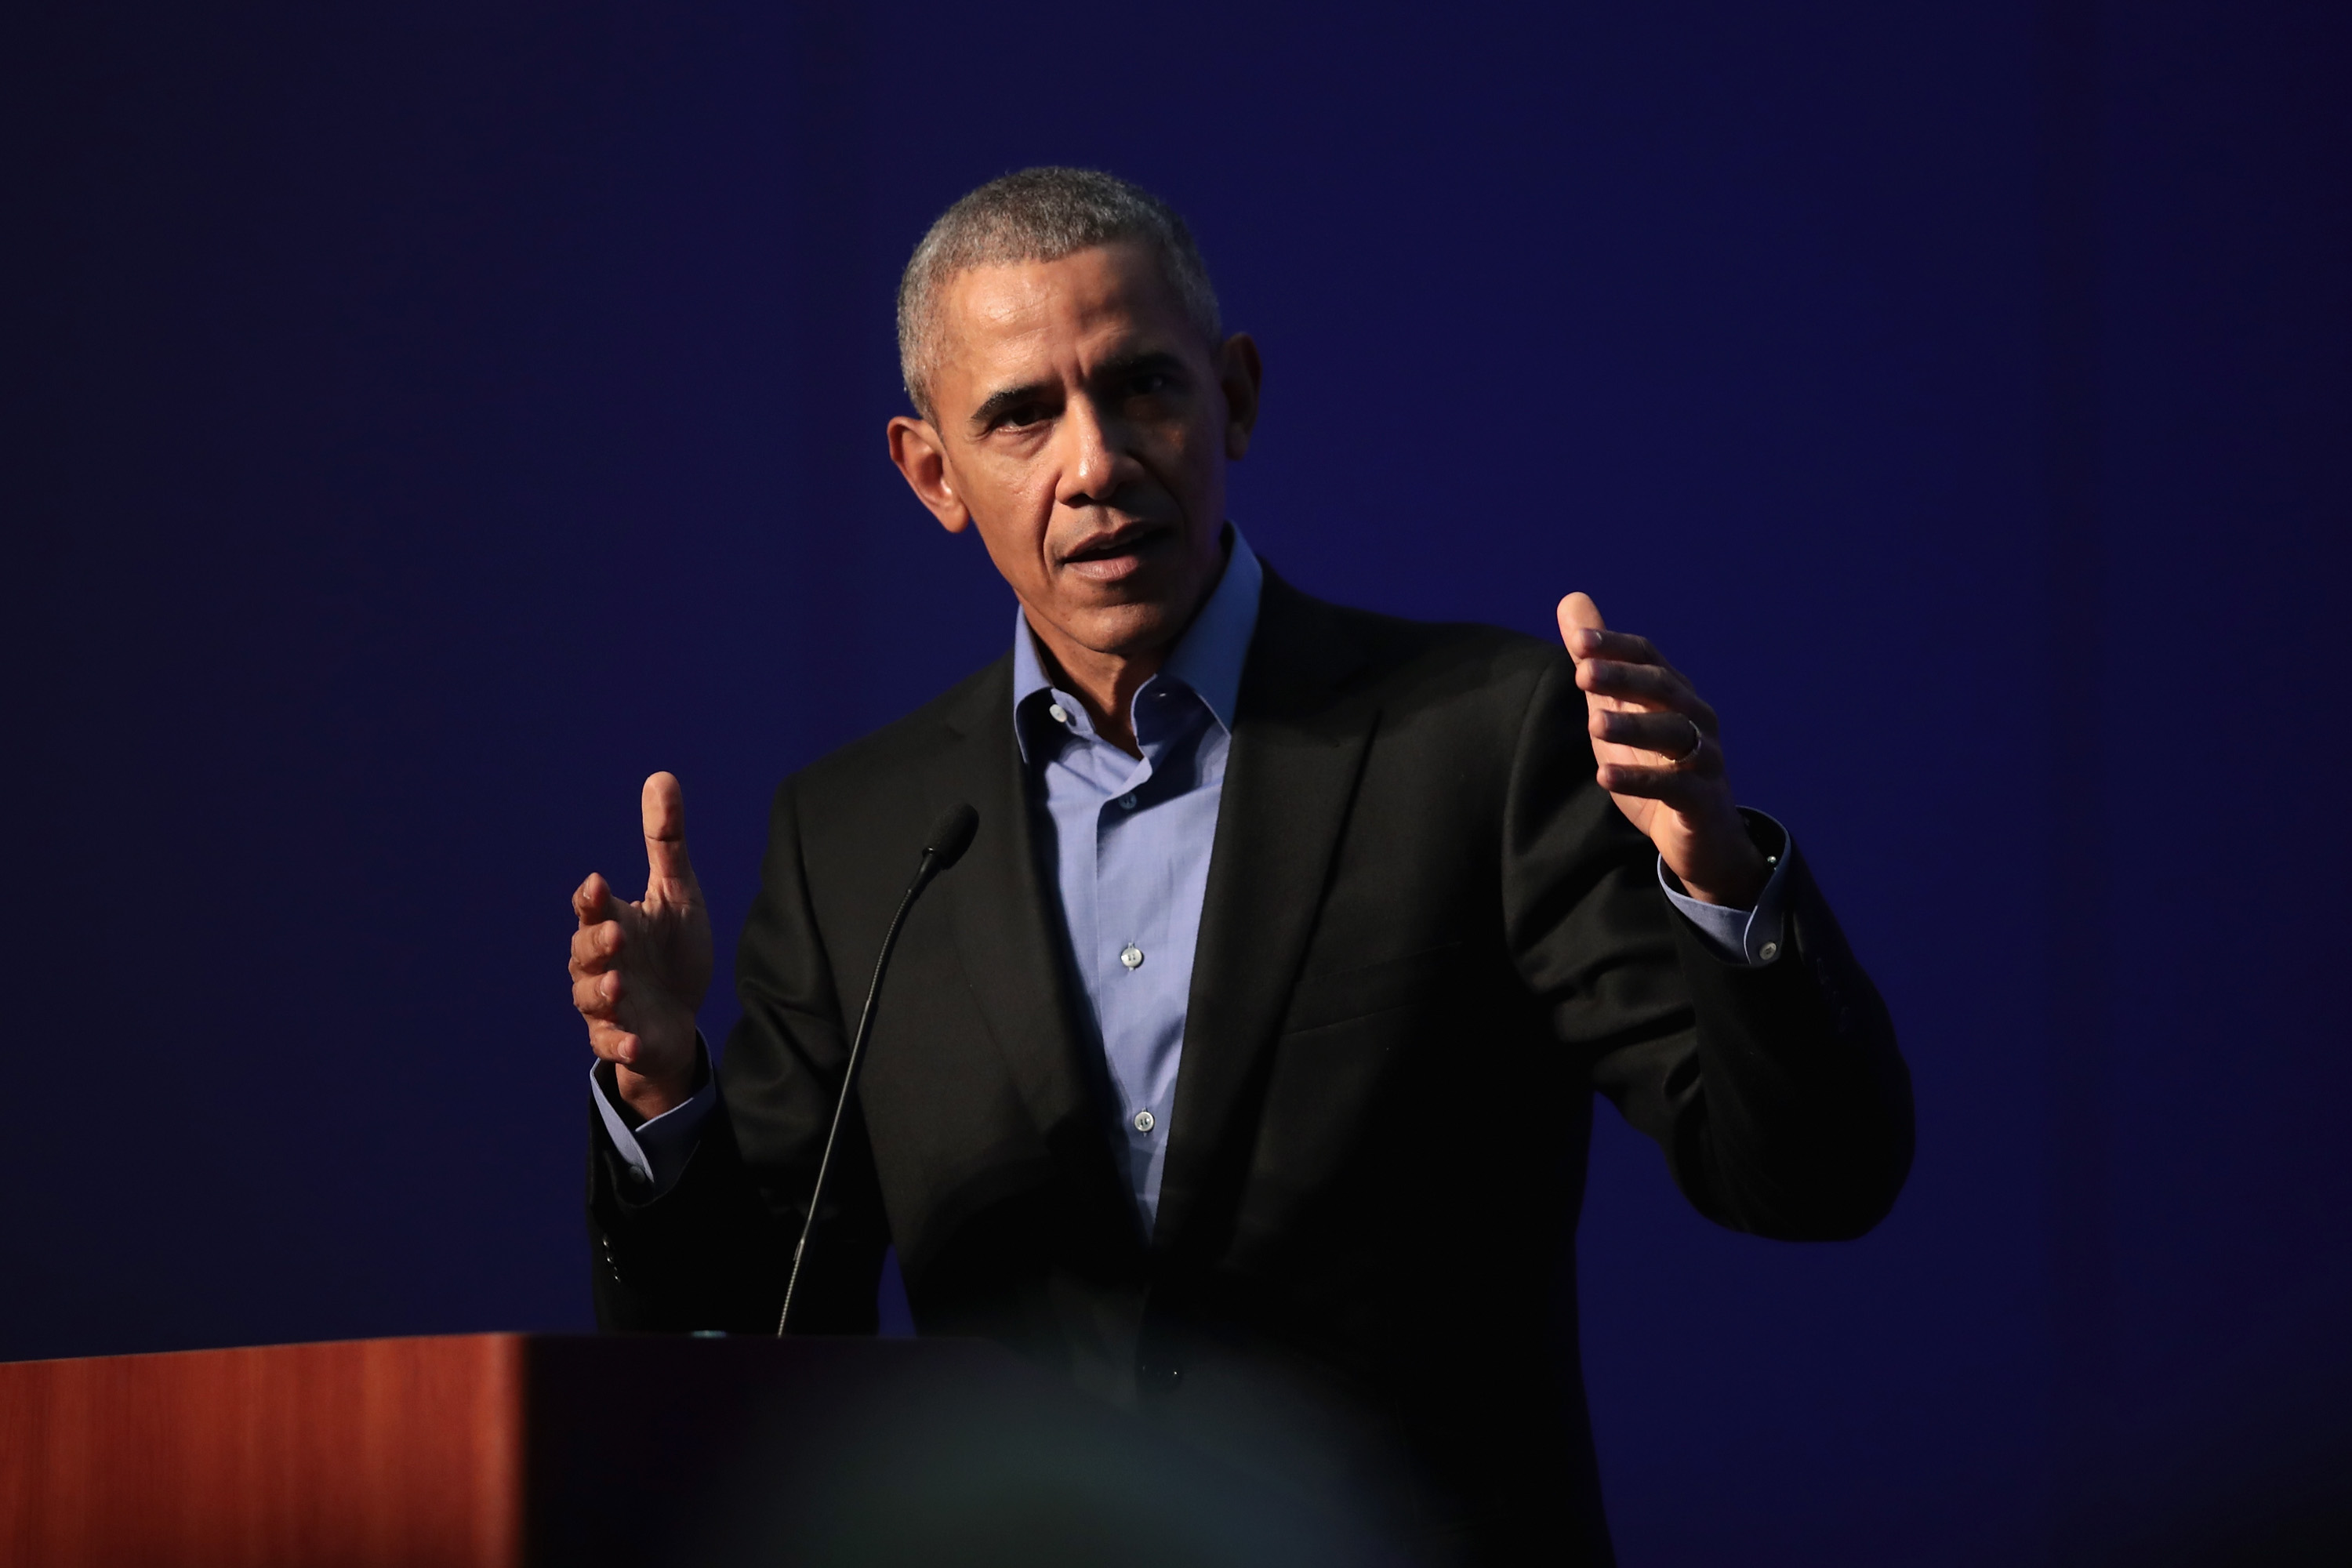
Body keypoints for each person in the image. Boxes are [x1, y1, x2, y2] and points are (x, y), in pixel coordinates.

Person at [568, 167, 1911, 1565]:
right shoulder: (855, 839)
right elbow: (758, 1350)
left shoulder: (1479, 737)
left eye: (1142, 386)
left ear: (1239, 397)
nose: (1095, 463)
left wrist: (1714, 872)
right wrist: (664, 1093)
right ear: (931, 474)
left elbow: (1810, 1181)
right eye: (1022, 414)